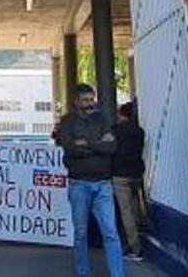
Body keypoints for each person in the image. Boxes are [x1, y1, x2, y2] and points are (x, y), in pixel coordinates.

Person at [55, 83, 125, 277]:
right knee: (81, 234)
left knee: (110, 233)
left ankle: (118, 274)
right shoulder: (68, 122)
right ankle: (83, 273)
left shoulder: (101, 119)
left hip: (103, 184)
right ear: (76, 102)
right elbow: (71, 150)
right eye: (85, 100)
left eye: (91, 99)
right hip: (79, 184)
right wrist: (100, 144)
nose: (90, 103)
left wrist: (87, 143)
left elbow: (112, 148)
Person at [111, 102, 146, 261]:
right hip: (137, 173)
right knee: (134, 207)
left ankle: (135, 248)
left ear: (120, 114)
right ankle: (139, 233)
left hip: (120, 174)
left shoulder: (115, 131)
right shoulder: (139, 131)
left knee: (126, 212)